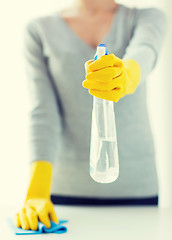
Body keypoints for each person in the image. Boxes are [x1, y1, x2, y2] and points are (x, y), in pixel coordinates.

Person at [14, 0, 166, 231]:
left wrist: (124, 77)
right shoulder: (40, 30)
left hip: (137, 192)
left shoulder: (145, 19)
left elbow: (144, 53)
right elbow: (44, 114)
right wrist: (36, 192)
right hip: (64, 195)